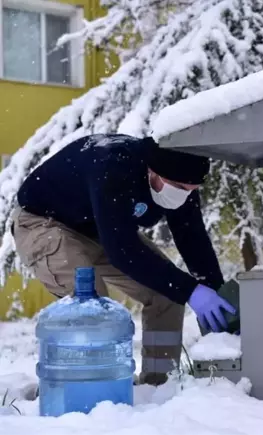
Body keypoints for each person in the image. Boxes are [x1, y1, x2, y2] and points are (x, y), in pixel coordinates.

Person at [11, 133, 236, 386]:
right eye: (181, 189)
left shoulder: (181, 177)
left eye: (192, 190)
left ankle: (158, 385)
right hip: (43, 223)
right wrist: (190, 289)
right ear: (153, 171)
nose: (185, 195)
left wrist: (215, 291)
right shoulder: (113, 164)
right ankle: (84, 391)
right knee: (90, 302)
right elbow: (123, 251)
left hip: (99, 229)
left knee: (167, 295)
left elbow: (192, 237)